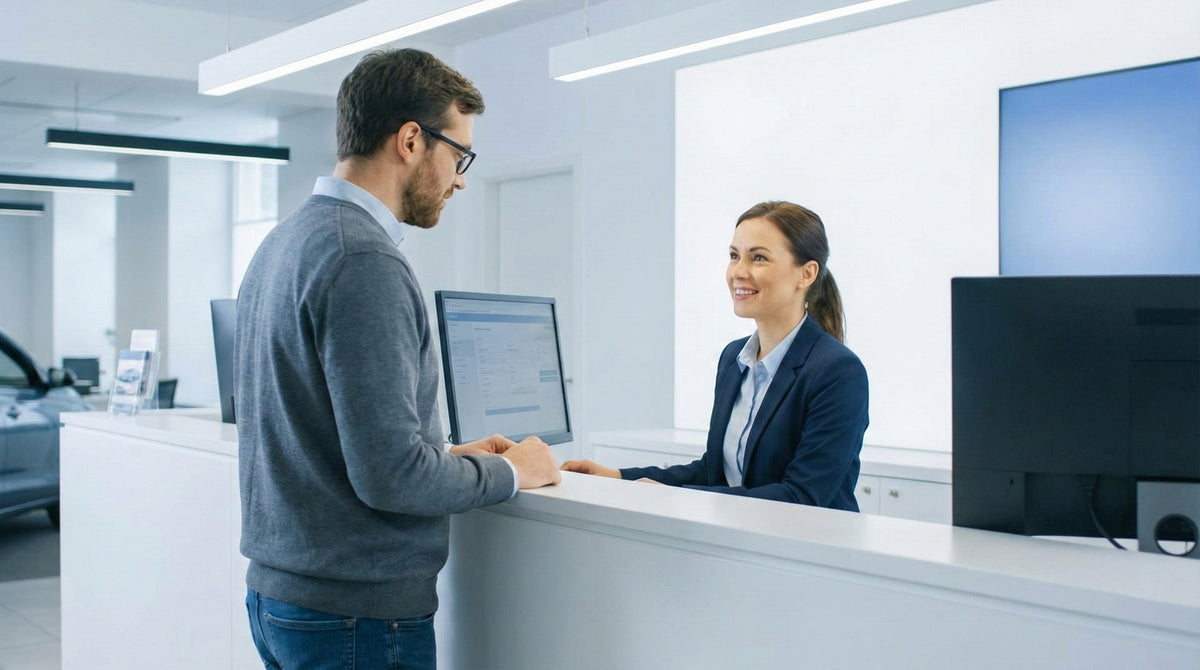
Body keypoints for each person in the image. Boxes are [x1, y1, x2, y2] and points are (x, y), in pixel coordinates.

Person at [234, 48, 561, 670]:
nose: (461, 178)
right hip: (355, 616)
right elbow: (390, 479)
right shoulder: (363, 261)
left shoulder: (285, 242)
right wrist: (515, 470)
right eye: (458, 155)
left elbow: (325, 435)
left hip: (286, 597)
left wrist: (442, 457)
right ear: (411, 140)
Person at [562, 201, 868, 510]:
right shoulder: (734, 359)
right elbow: (714, 472)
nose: (738, 272)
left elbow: (803, 496)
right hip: (742, 541)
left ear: (807, 273)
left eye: (758, 257)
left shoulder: (838, 372)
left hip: (808, 551)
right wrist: (617, 476)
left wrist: (677, 498)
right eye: (734, 256)